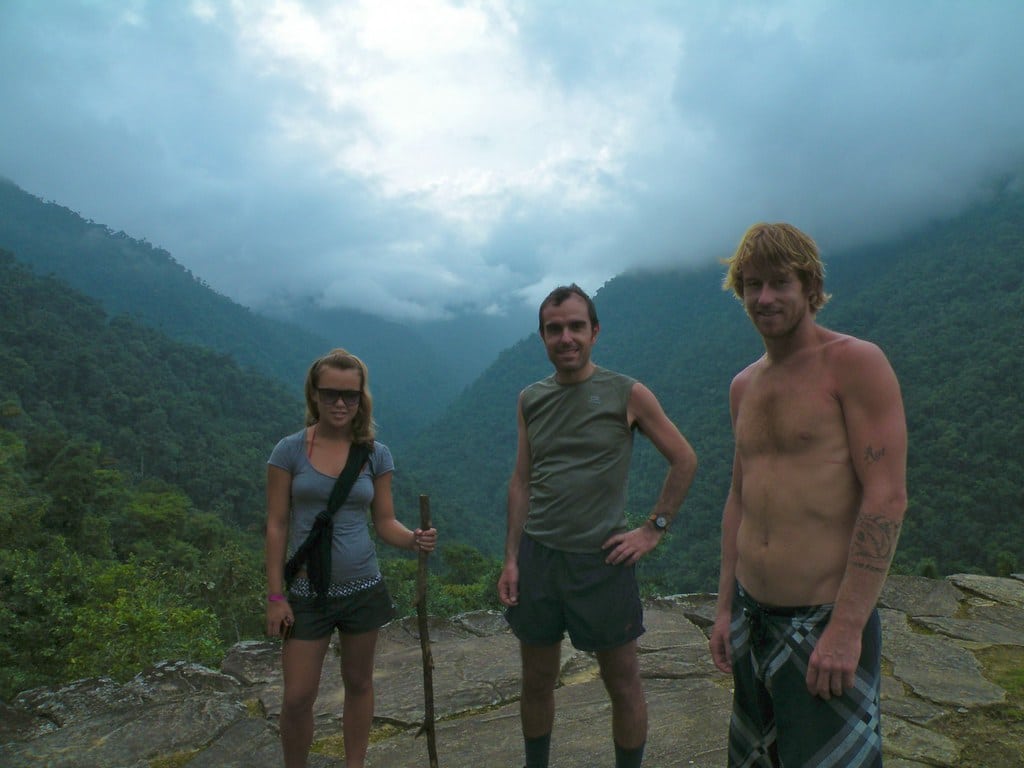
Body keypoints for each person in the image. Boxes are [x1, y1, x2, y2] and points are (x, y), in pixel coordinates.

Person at [709, 223, 908, 767]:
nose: (765, 298)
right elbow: (738, 499)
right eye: (752, 284)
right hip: (753, 616)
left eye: (779, 283)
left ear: (810, 287)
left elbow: (886, 497)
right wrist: (724, 607)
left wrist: (847, 629)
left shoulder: (854, 364)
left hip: (824, 621)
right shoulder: (744, 385)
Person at [498, 284, 698, 768]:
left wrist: (653, 529)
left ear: (595, 332)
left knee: (623, 680)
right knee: (536, 679)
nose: (565, 338)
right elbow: (522, 481)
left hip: (602, 560)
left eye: (576, 327)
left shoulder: (627, 393)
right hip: (539, 556)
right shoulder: (531, 399)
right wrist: (510, 559)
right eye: (554, 329)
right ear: (542, 336)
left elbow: (684, 459)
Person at [265, 348, 437, 768]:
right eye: (330, 394)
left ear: (362, 399)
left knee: (359, 683)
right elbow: (276, 525)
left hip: (362, 587)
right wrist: (275, 597)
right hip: (307, 591)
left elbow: (384, 522)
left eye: (350, 395)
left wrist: (413, 539)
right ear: (314, 395)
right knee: (297, 696)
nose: (340, 403)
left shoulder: (375, 455)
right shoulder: (288, 452)